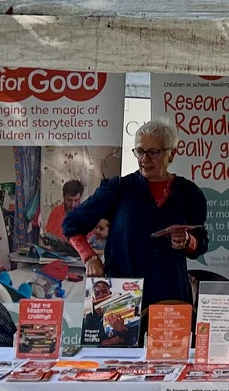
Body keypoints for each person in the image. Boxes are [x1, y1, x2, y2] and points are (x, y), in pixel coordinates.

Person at [63, 118, 208, 309]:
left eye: (153, 152)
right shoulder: (118, 189)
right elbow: (71, 225)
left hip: (170, 296)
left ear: (171, 154)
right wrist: (89, 257)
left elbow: (201, 243)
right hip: (121, 295)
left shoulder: (189, 193)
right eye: (140, 151)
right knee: (117, 339)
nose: (144, 159)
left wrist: (188, 240)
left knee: (170, 340)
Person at [38, 179, 85, 249]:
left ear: (80, 198)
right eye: (69, 200)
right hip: (57, 254)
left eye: (76, 200)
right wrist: (46, 239)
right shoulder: (56, 211)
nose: (73, 205)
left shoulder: (85, 214)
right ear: (63, 197)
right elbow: (49, 236)